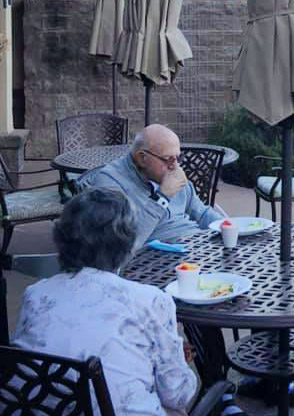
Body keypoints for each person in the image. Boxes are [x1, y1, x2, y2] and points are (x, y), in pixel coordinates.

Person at [13, 187, 199, 416]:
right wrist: (180, 360)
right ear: (127, 242)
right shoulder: (150, 301)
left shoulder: (36, 295)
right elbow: (178, 395)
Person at [80, 124, 223, 249]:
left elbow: (202, 213)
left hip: (195, 246)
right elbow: (122, 245)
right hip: (153, 261)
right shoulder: (110, 183)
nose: (175, 166)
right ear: (142, 158)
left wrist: (229, 227)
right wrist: (162, 197)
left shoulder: (170, 171)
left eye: (178, 158)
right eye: (168, 159)